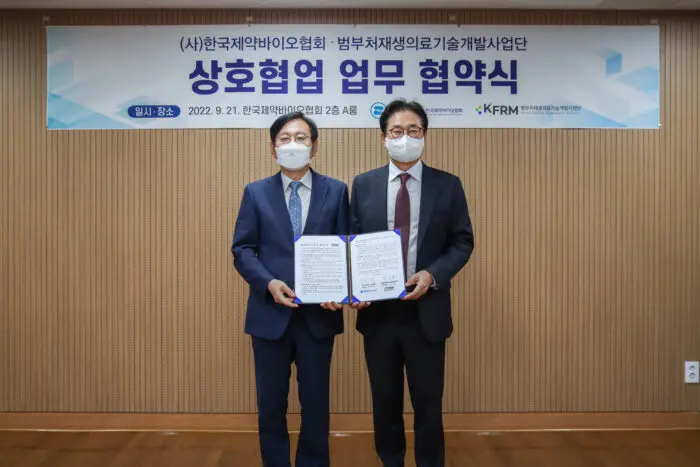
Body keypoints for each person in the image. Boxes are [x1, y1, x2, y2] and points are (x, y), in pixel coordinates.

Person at [350, 99, 474, 467]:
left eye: (413, 130)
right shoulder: (364, 185)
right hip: (378, 314)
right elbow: (352, 242)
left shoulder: (448, 185)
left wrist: (433, 275)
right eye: (396, 131)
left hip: (427, 311)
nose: (405, 138)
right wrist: (353, 287)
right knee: (384, 401)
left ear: (424, 135)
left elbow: (462, 241)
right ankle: (391, 460)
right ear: (383, 138)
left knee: (428, 402)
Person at [231, 111, 349, 467]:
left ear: (314, 146)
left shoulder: (336, 190)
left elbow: (345, 247)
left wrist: (340, 290)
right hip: (269, 314)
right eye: (284, 138)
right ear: (273, 148)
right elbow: (243, 249)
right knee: (270, 403)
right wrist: (268, 283)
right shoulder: (255, 192)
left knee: (316, 403)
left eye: (300, 137)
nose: (292, 144)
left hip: (319, 316)